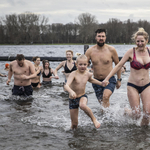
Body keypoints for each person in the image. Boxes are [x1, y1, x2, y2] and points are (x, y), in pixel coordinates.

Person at [103, 28, 150, 126]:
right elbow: (118, 66)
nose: (140, 43)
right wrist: (107, 78)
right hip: (133, 85)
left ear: (147, 41)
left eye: (142, 41)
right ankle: (127, 111)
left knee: (147, 114)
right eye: (138, 41)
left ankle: (142, 134)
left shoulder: (149, 51)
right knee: (136, 115)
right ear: (135, 41)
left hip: (146, 85)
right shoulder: (130, 52)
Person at [64, 54, 103, 129]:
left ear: (88, 64)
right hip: (72, 99)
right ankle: (73, 136)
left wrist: (101, 83)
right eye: (80, 64)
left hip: (82, 96)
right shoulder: (73, 74)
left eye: (85, 64)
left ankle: (94, 120)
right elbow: (66, 85)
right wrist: (71, 91)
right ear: (76, 64)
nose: (83, 66)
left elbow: (91, 80)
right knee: (74, 124)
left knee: (82, 105)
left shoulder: (88, 74)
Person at [85, 29, 121, 108]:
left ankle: (107, 118)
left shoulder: (111, 50)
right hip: (96, 81)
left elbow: (118, 65)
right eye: (99, 36)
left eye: (103, 36)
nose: (101, 38)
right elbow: (84, 64)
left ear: (105, 37)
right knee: (102, 103)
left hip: (109, 79)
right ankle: (108, 117)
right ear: (96, 37)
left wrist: (119, 79)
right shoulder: (90, 51)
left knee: (105, 97)